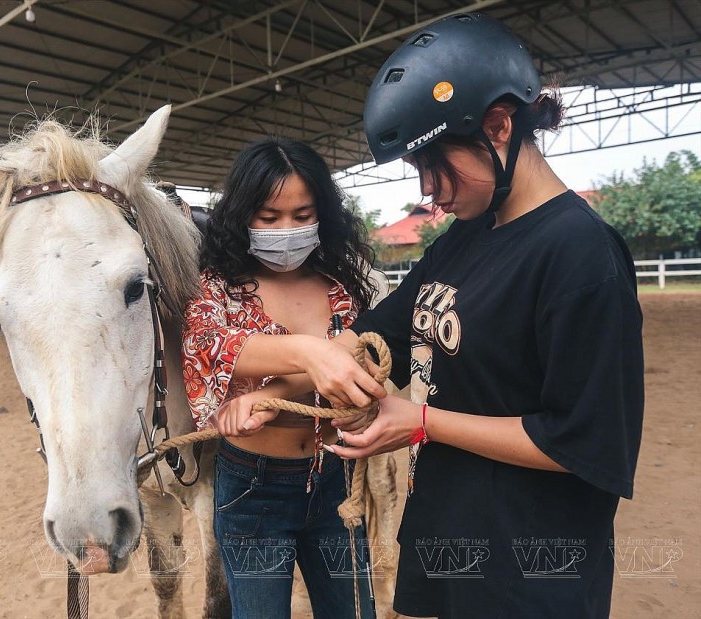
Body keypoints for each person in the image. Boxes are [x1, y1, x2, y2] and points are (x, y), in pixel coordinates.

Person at [219, 12, 644, 619]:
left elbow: (581, 444)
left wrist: (421, 421)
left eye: (434, 163)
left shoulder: (580, 256)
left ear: (498, 126)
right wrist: (280, 389)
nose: (427, 189)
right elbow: (378, 334)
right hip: (458, 549)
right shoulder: (464, 237)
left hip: (530, 574)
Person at [181, 137, 378, 619]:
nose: (286, 230)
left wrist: (273, 392)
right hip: (253, 489)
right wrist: (310, 351)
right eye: (269, 218)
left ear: (322, 216)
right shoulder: (218, 288)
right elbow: (207, 346)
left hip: (336, 478)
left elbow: (360, 365)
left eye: (302, 215)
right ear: (242, 215)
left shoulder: (341, 288)